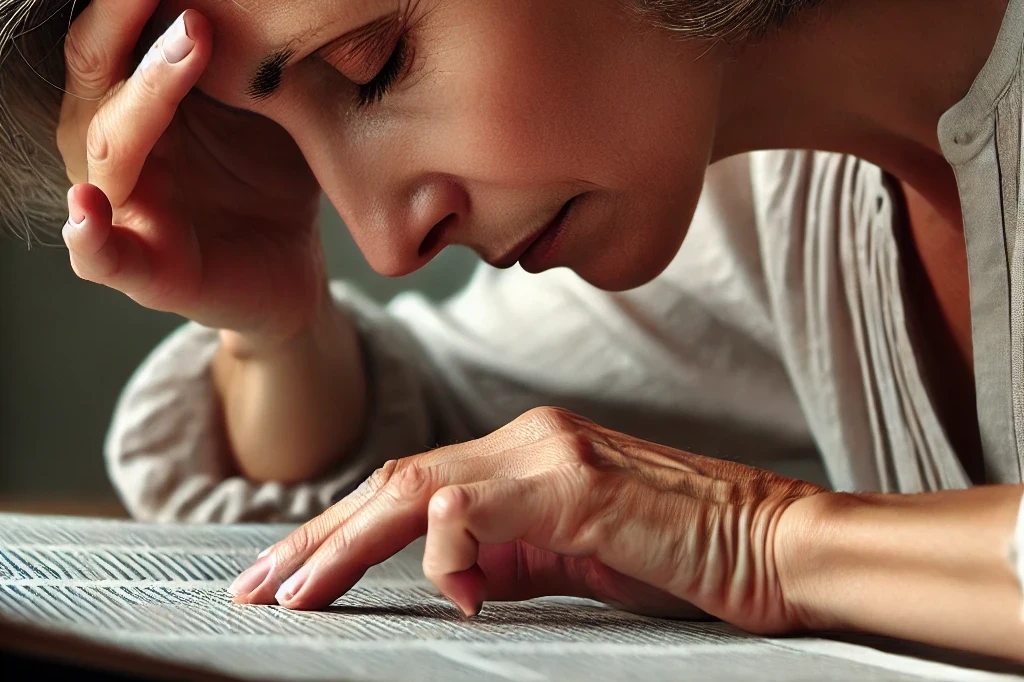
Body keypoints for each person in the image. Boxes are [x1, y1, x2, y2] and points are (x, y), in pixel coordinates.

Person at [0, 0, 1022, 663]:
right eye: (295, 146)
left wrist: (761, 540)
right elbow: (426, 461)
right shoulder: (778, 205)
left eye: (372, 68)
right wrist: (280, 324)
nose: (386, 242)